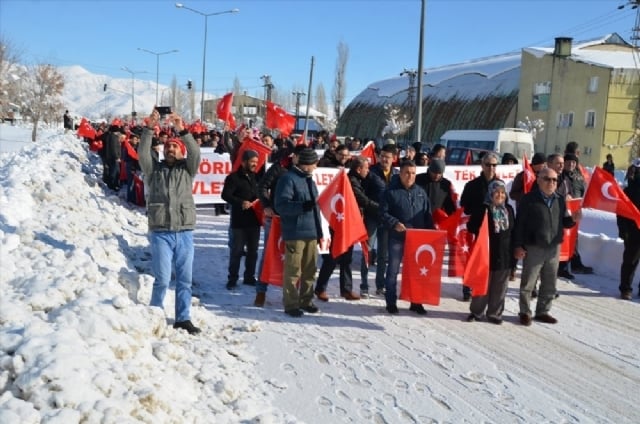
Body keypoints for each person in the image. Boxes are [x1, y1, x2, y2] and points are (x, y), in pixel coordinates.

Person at [138, 109, 201, 335]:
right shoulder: (154, 170)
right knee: (162, 278)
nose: (170, 149)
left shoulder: (187, 170)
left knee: (185, 280)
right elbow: (143, 153)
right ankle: (155, 314)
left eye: (174, 146)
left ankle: (183, 318)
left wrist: (181, 129)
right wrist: (149, 128)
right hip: (161, 232)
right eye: (168, 147)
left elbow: (196, 153)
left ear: (181, 151)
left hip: (184, 232)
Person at [513, 167, 581, 326]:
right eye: (547, 179)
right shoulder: (528, 199)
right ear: (539, 180)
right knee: (528, 282)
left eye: (554, 180)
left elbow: (564, 222)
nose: (551, 183)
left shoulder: (559, 199)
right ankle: (525, 312)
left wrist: (573, 220)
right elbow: (520, 224)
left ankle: (543, 311)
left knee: (550, 282)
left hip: (553, 247)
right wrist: (518, 245)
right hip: (534, 246)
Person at [380, 160, 435, 315]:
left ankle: (416, 302)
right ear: (400, 173)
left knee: (416, 272)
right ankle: (391, 302)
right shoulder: (390, 191)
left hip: (417, 239)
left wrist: (431, 233)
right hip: (397, 237)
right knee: (392, 271)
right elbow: (382, 213)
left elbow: (427, 214)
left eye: (413, 173)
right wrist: (394, 222)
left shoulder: (420, 192)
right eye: (406, 173)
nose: (410, 176)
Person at [274, 148, 324, 317]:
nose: (316, 166)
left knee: (310, 270)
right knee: (293, 270)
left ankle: (306, 300)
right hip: (295, 232)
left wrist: (319, 231)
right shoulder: (288, 179)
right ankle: (291, 304)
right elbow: (281, 206)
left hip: (311, 232)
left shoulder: (310, 180)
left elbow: (316, 208)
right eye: (314, 163)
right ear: (307, 164)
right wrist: (302, 206)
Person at [253, 142, 299, 307]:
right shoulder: (279, 167)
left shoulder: (305, 173)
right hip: (275, 218)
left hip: (295, 219)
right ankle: (261, 290)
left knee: (295, 256)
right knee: (268, 253)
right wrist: (266, 205)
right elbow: (262, 186)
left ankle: (292, 292)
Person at [466, 180, 515, 324]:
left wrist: (515, 255)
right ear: (490, 193)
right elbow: (471, 227)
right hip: (486, 254)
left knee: (500, 287)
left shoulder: (509, 210)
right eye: (496, 192)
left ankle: (495, 313)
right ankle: (476, 312)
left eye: (502, 192)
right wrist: (481, 219)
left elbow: (513, 231)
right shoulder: (482, 209)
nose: (500, 195)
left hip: (504, 254)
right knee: (482, 285)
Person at [314, 144, 359, 301]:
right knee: (332, 256)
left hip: (348, 217)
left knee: (347, 257)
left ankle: (346, 289)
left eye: (347, 155)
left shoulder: (352, 170)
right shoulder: (326, 165)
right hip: (331, 215)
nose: (344, 158)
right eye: (341, 154)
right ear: (336, 153)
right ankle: (320, 288)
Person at [459, 152, 502, 300]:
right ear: (482, 165)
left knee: (488, 261)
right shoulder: (472, 185)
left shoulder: (500, 185)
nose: (491, 167)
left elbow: (504, 207)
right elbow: (464, 207)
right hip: (475, 229)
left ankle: (483, 287)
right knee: (472, 260)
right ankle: (467, 287)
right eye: (488, 164)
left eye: (494, 165)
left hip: (494, 231)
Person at [221, 149, 261, 290]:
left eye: (256, 162)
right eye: (252, 162)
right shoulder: (233, 178)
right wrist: (240, 202)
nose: (254, 165)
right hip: (239, 221)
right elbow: (225, 195)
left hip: (254, 221)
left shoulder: (256, 177)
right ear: (244, 162)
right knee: (237, 251)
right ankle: (232, 278)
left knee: (253, 252)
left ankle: (249, 277)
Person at [508, 152, 547, 282]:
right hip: (523, 212)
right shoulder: (523, 175)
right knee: (518, 242)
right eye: (542, 164)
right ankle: (512, 268)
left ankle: (535, 275)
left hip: (537, 216)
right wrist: (524, 196)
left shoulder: (544, 176)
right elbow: (513, 194)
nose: (543, 166)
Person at [349, 156, 384, 298]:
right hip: (372, 216)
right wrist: (381, 208)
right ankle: (364, 285)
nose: (368, 171)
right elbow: (363, 199)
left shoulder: (393, 173)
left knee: (383, 254)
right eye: (366, 168)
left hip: (383, 217)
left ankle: (381, 285)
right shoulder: (360, 178)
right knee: (366, 251)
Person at [369, 143, 400, 296]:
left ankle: (384, 284)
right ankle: (370, 284)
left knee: (386, 254)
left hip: (389, 218)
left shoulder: (396, 174)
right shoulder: (372, 171)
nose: (384, 159)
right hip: (373, 216)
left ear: (394, 158)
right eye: (381, 156)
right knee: (371, 252)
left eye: (387, 157)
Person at [617, 161, 640, 300]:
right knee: (630, 261)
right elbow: (621, 212)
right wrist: (623, 230)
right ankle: (625, 288)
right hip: (632, 231)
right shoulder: (628, 190)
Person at [415, 158, 457, 223]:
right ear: (430, 170)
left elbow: (448, 205)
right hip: (418, 219)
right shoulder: (418, 180)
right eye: (434, 173)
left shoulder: (445, 184)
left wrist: (451, 218)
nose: (437, 176)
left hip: (436, 221)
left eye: (439, 173)